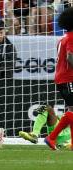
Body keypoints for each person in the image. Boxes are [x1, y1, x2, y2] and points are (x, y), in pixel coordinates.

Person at [44, 7, 73, 150]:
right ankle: (52, 137)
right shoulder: (72, 37)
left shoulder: (64, 38)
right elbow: (70, 57)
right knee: (72, 111)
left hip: (62, 78)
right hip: (68, 79)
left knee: (71, 110)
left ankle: (67, 141)